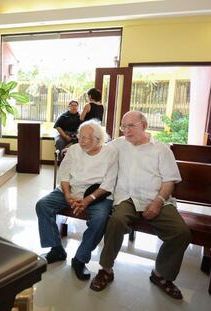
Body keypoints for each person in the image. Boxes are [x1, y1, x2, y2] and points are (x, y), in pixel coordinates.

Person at [90, 111, 191, 300]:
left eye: (131, 126)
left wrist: (158, 202)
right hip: (126, 198)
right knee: (116, 221)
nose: (126, 130)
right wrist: (73, 149)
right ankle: (106, 270)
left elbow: (169, 181)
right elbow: (95, 148)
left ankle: (161, 275)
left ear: (144, 126)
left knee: (181, 232)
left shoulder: (161, 149)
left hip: (156, 197)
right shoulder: (118, 145)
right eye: (123, 126)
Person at [36, 120, 118, 280]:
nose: (81, 140)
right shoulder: (74, 149)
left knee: (100, 218)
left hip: (98, 194)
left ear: (97, 139)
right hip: (70, 190)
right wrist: (67, 195)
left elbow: (109, 183)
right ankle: (56, 249)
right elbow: (64, 175)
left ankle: (80, 259)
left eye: (86, 138)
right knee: (43, 205)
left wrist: (87, 200)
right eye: (80, 136)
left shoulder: (110, 153)